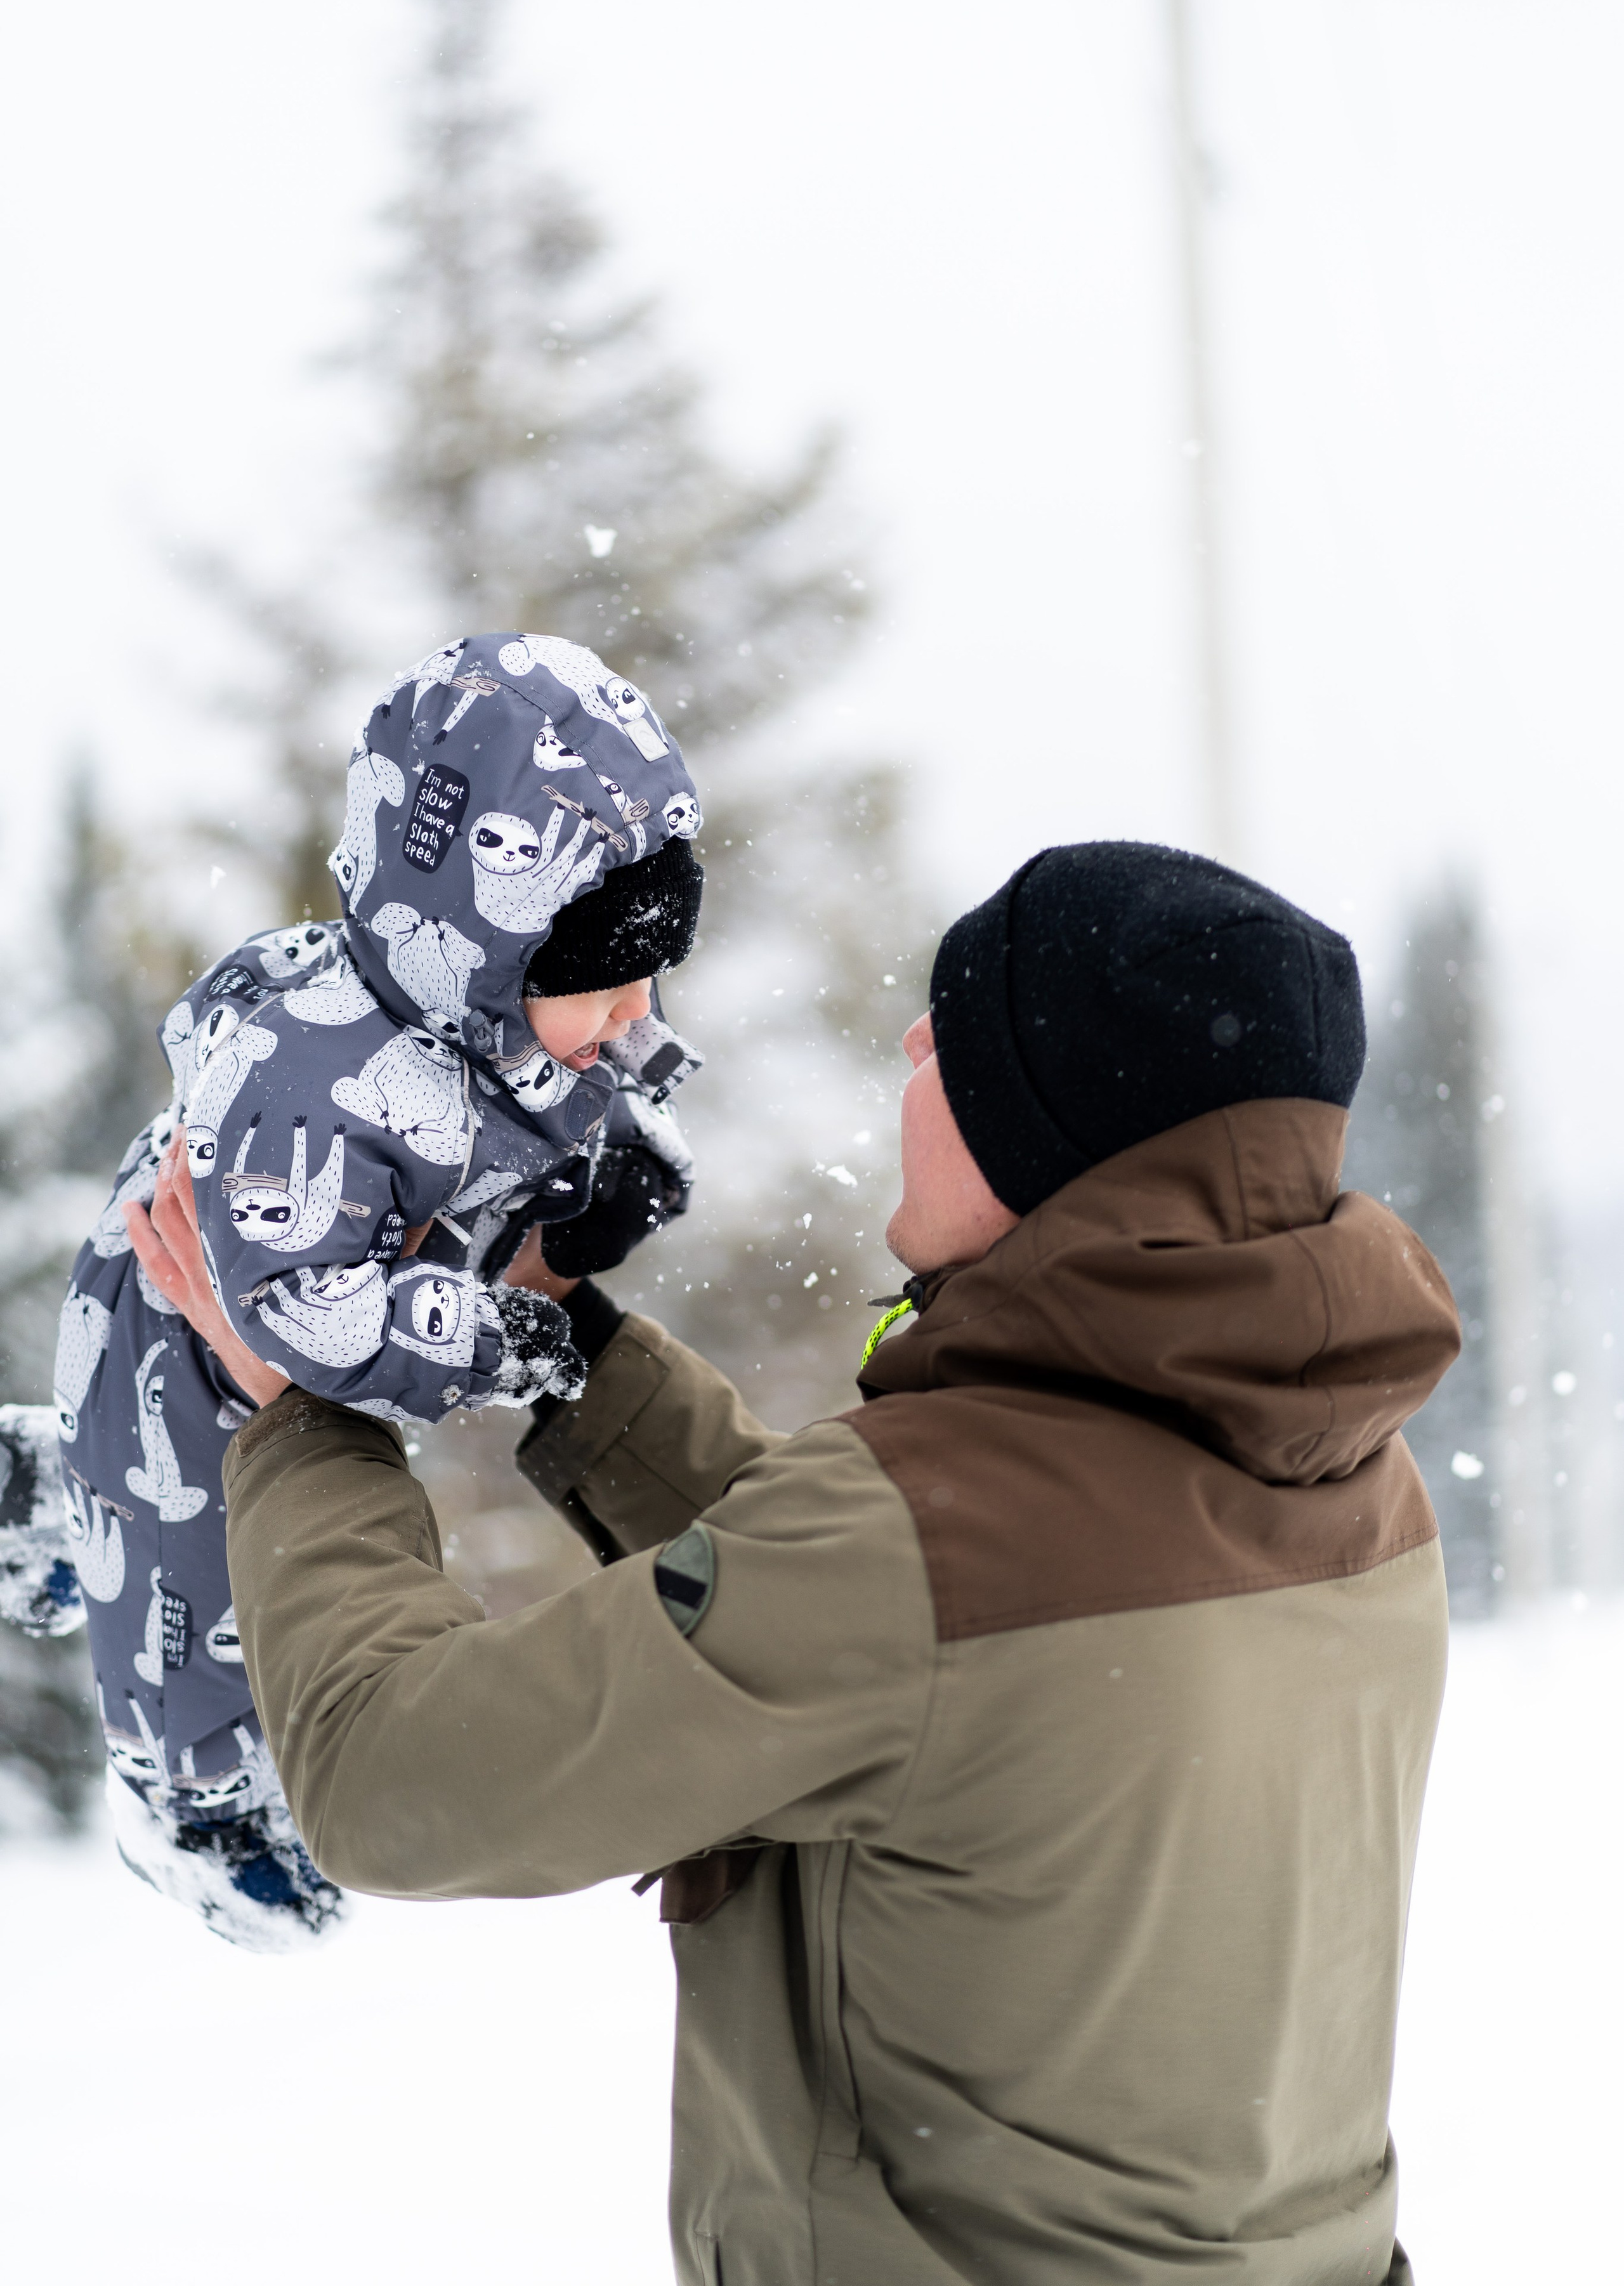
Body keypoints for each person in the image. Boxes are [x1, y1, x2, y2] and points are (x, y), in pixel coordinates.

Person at [133, 842, 1458, 2283]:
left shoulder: (932, 1534)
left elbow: (394, 1780)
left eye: (954, 1029)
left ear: (1053, 1125)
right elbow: (927, 1640)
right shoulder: (1345, 1480)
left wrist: (302, 1407)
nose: (909, 1040)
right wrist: (565, 1350)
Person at [11, 632, 704, 1948]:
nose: (632, 1009)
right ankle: (198, 1812)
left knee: (220, 1535)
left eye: (646, 972)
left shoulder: (485, 1018)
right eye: (599, 981)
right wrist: (506, 1342)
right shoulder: (306, 1080)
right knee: (191, 1601)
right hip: (188, 1348)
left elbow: (542, 1108)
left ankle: (55, 1504)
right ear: (478, 948)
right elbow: (306, 1310)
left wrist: (601, 1181)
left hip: (270, 1345)